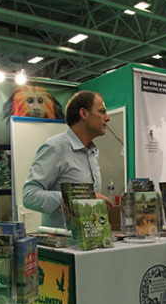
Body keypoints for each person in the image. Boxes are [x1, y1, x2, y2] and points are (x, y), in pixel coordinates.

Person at [22, 90, 113, 228]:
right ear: (84, 113)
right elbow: (29, 196)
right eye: (102, 112)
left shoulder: (92, 152)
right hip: (63, 246)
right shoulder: (56, 147)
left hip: (89, 243)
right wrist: (77, 198)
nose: (107, 118)